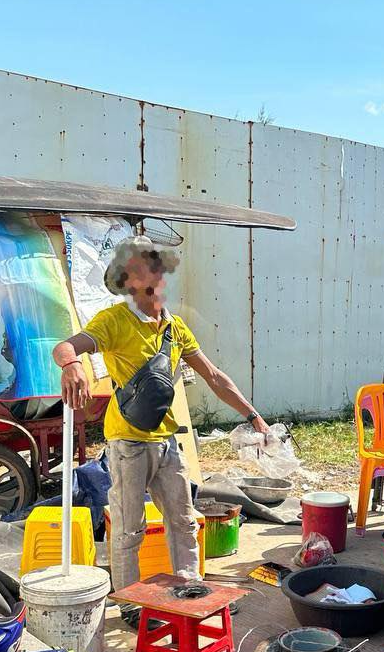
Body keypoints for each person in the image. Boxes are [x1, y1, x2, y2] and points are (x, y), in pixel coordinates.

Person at [53, 235, 269, 595]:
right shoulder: (113, 321)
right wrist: (72, 364)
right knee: (128, 531)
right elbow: (65, 347)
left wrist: (253, 416)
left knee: (184, 522)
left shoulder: (175, 327)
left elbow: (214, 377)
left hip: (167, 442)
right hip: (128, 444)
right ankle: (130, 602)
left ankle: (190, 590)